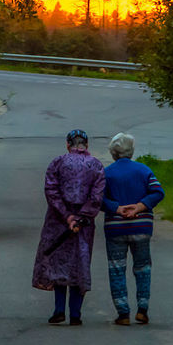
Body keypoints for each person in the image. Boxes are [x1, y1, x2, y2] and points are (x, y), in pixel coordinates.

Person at [32, 128, 106, 326]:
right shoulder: (96, 166)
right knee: (79, 263)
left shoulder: (57, 162)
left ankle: (58, 310)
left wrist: (67, 216)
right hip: (84, 225)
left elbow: (51, 191)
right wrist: (81, 217)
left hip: (58, 221)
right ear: (86, 145)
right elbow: (97, 197)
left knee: (57, 262)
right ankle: (75, 313)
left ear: (67, 145)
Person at [101, 132, 164, 326]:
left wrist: (116, 208)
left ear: (113, 153)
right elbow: (158, 192)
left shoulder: (107, 173)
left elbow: (97, 198)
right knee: (143, 268)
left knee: (117, 269)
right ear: (132, 151)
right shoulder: (144, 171)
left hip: (115, 228)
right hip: (141, 226)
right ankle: (142, 310)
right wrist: (139, 206)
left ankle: (123, 313)